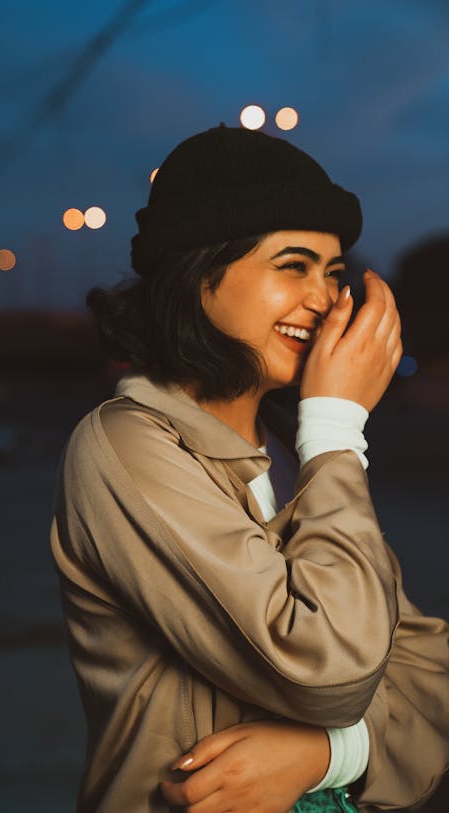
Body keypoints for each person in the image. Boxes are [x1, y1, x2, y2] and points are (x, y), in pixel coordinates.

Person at [50, 125, 448, 813]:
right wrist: (335, 424)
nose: (324, 298)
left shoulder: (298, 455)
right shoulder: (123, 445)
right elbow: (332, 671)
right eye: (292, 266)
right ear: (197, 273)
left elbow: (429, 674)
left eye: (333, 271)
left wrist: (328, 753)